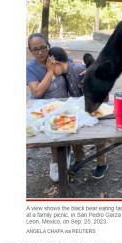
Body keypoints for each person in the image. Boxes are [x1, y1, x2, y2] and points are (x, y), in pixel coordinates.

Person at [26, 33, 79, 182]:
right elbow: (37, 91)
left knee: (71, 125)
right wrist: (49, 72)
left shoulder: (54, 57)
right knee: (51, 129)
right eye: (35, 49)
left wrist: (88, 67)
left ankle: (67, 153)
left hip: (63, 106)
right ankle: (55, 162)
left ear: (48, 46)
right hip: (42, 108)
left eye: (43, 47)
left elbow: (72, 62)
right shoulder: (30, 68)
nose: (40, 52)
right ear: (31, 51)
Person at [49, 47, 108, 179]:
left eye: (52, 67)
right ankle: (79, 159)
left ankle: (101, 163)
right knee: (73, 131)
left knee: (98, 136)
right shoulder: (65, 72)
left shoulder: (80, 70)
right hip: (80, 109)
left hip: (95, 107)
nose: (51, 71)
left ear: (57, 64)